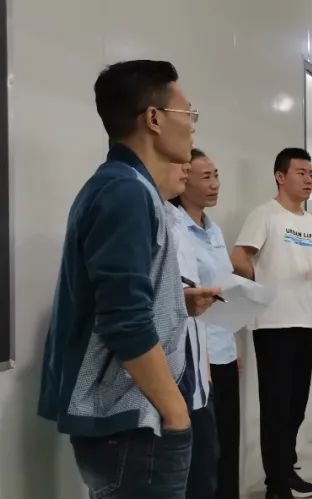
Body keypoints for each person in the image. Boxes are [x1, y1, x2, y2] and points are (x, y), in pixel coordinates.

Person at [38, 59, 220, 499]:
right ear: (153, 119)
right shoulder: (125, 191)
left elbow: (123, 297)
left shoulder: (128, 187)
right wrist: (175, 411)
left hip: (135, 418)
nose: (193, 125)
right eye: (187, 113)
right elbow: (124, 321)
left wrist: (176, 302)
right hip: (134, 422)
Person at [231, 147, 312, 499]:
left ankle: (285, 469)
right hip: (272, 324)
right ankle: (276, 484)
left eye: (311, 174)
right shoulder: (265, 214)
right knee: (276, 406)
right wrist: (258, 287)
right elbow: (239, 256)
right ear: (280, 176)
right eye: (301, 172)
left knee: (295, 406)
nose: (309, 179)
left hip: (305, 321)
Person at [172, 149, 240, 499]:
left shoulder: (214, 230)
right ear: (183, 182)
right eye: (205, 177)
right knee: (204, 455)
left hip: (222, 350)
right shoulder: (174, 226)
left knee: (227, 443)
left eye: (216, 176)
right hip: (196, 359)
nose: (214, 184)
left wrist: (233, 345)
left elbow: (222, 289)